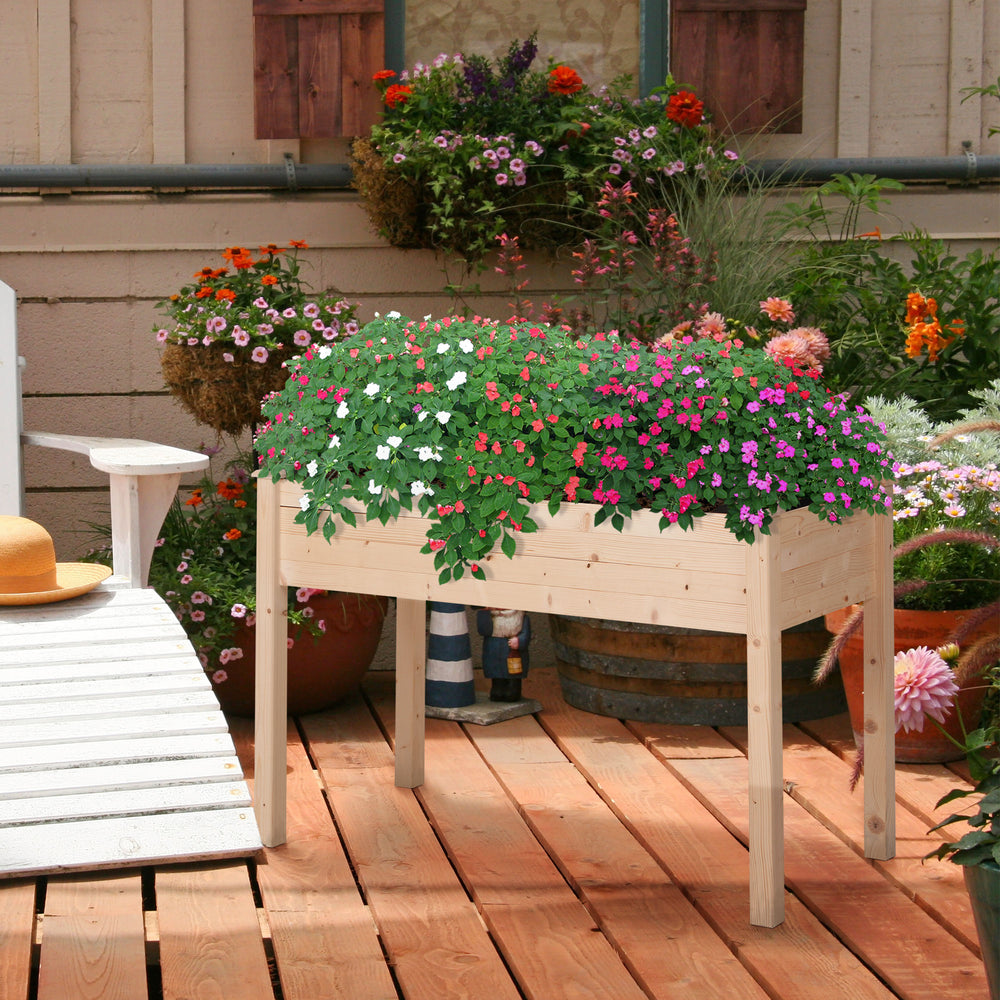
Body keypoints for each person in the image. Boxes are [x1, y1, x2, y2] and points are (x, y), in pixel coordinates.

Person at [476, 607, 530, 702]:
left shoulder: (522, 618)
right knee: (496, 672)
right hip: (494, 648)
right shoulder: (491, 616)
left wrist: (519, 641)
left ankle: (513, 691)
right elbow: (483, 630)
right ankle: (497, 689)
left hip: (512, 651)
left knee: (513, 673)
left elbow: (526, 634)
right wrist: (484, 611)